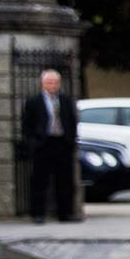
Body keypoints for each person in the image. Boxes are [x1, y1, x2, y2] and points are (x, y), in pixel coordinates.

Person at [20, 68, 79, 223]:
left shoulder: (65, 100)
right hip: (43, 144)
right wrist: (33, 142)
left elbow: (72, 122)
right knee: (40, 181)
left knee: (65, 181)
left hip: (62, 143)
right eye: (49, 82)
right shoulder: (34, 101)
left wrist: (71, 140)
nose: (53, 85)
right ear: (43, 84)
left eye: (55, 82)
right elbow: (27, 125)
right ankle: (38, 214)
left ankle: (65, 213)